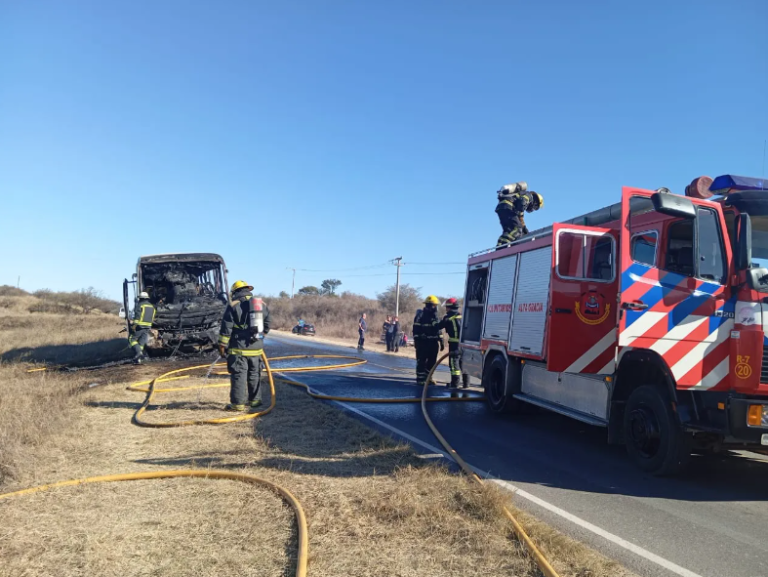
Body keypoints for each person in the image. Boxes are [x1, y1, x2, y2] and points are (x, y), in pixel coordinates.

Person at [218, 280, 271, 412]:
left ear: (235, 292)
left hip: (238, 349)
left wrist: (222, 346)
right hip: (257, 349)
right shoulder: (261, 305)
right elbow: (268, 324)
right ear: (248, 290)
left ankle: (238, 404)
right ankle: (255, 401)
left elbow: (226, 328)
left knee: (239, 376)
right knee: (255, 374)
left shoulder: (233, 305)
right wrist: (261, 335)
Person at [496, 182, 544, 247]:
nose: (533, 209)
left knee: (508, 230)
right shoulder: (529, 195)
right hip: (509, 207)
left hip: (502, 207)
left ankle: (499, 245)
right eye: (535, 207)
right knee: (517, 229)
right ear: (536, 202)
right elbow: (522, 202)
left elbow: (520, 218)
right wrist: (521, 208)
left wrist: (524, 229)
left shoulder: (519, 198)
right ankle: (504, 247)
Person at [413, 296, 442, 387]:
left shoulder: (435, 316)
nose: (436, 308)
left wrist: (441, 340)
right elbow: (416, 329)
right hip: (423, 343)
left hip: (433, 343)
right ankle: (421, 379)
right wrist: (417, 340)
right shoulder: (420, 315)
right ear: (430, 305)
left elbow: (438, 329)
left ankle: (428, 378)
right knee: (421, 361)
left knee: (432, 362)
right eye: (435, 306)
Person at [438, 298, 463, 388]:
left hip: (454, 345)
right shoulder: (461, 316)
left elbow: (439, 326)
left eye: (446, 307)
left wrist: (434, 322)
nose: (446, 309)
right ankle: (466, 383)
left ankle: (455, 384)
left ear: (450, 307)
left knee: (453, 363)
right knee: (463, 363)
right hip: (465, 345)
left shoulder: (448, 317)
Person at [128, 292, 156, 364]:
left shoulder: (140, 305)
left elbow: (137, 317)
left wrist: (134, 326)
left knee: (132, 339)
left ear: (140, 298)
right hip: (148, 326)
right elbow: (152, 318)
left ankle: (139, 353)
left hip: (140, 326)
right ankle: (139, 359)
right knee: (141, 342)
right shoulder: (152, 307)